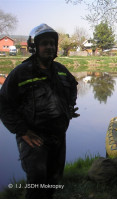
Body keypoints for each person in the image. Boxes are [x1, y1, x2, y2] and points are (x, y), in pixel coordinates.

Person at [0, 23, 79, 198]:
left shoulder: (61, 71)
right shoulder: (20, 73)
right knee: (37, 181)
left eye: (52, 43)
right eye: (45, 43)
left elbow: (73, 86)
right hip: (33, 137)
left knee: (54, 179)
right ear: (34, 46)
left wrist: (68, 107)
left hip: (58, 136)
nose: (49, 47)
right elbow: (3, 104)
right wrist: (22, 131)